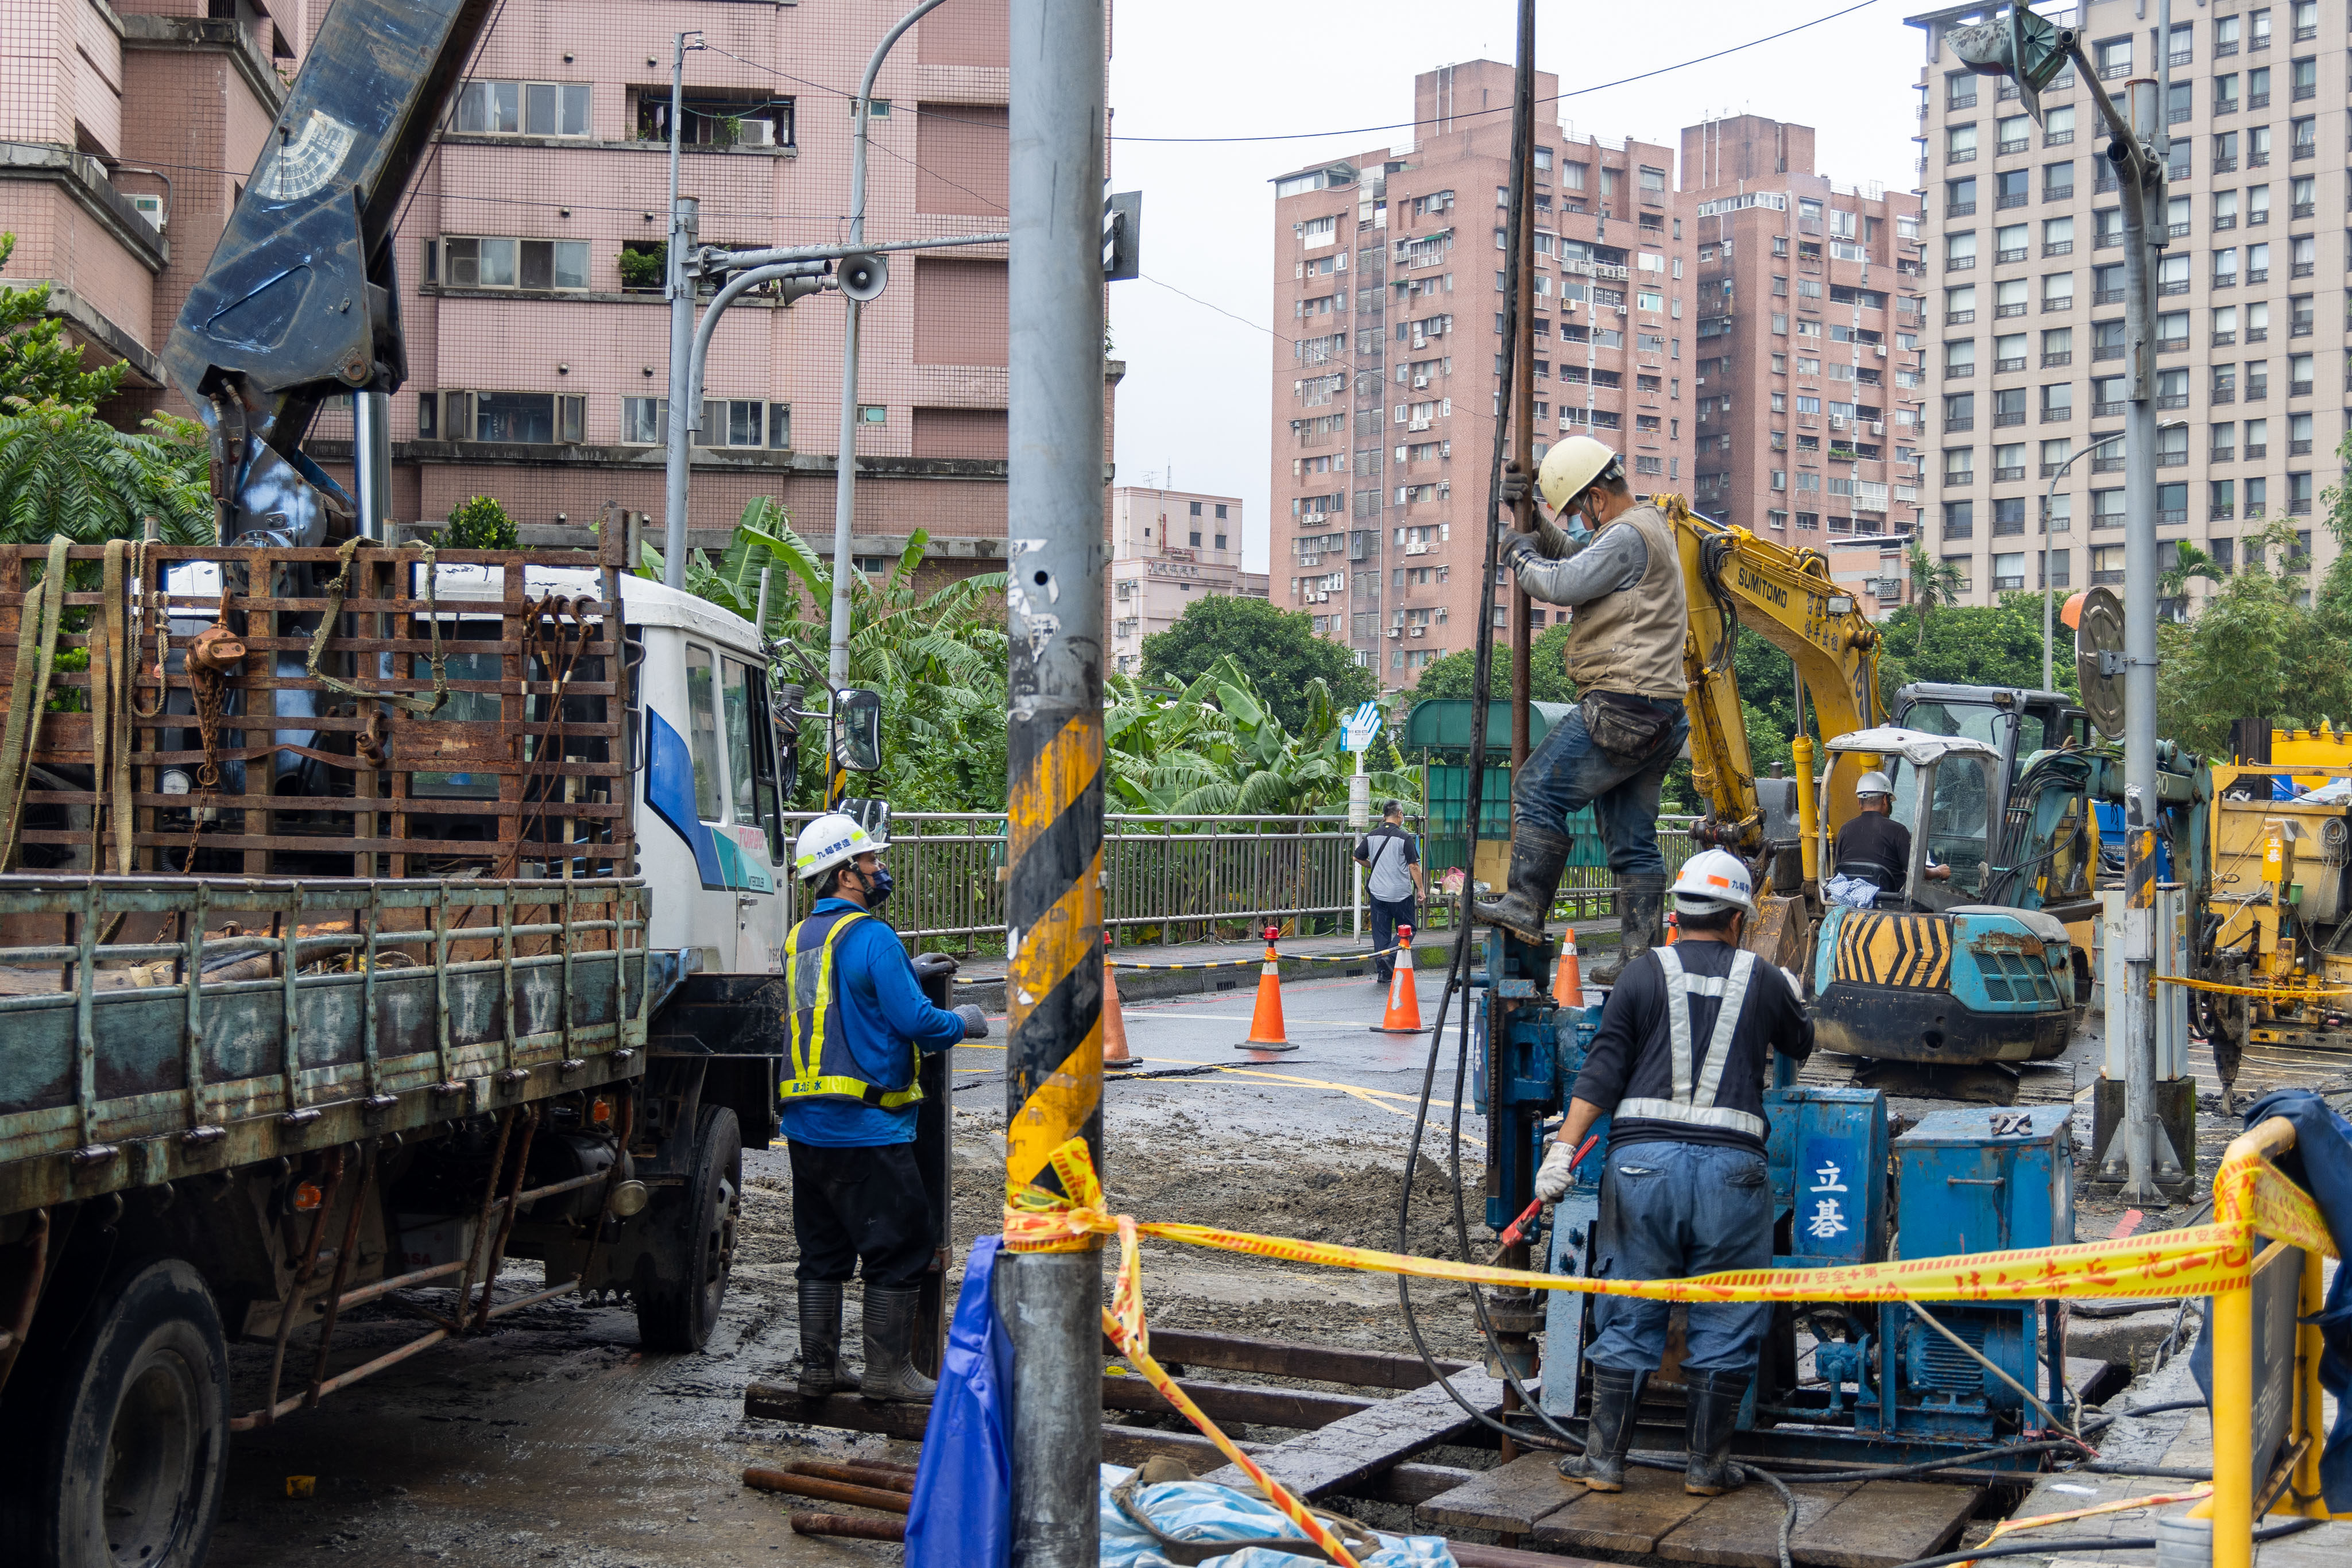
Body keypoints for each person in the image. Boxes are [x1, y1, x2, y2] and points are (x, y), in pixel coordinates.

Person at [1531, 849, 1813, 1496]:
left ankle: (1604, 1461)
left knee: (1632, 1305)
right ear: (1739, 918)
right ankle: (1707, 1468)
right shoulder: (1764, 979)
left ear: (1676, 913)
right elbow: (1803, 1043)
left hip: (1640, 1171)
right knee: (1726, 1312)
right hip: (1732, 1177)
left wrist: (1560, 1152)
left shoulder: (1639, 975)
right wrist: (1792, 997)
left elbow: (1599, 1070)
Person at [783, 811, 991, 1404]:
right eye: (869, 861)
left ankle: (819, 1370)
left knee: (822, 1250)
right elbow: (916, 1022)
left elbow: (839, 1005)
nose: (879, 870)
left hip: (806, 1127)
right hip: (866, 1128)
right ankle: (887, 1373)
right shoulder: (873, 937)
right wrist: (966, 1021)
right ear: (846, 875)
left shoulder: (801, 938)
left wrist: (903, 972)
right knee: (900, 1242)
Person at [1477, 436, 1689, 983]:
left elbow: (1563, 581)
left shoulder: (1626, 535)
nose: (1578, 521)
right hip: (1661, 713)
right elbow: (1579, 558)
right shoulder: (1647, 529)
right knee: (1633, 840)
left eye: (1576, 510)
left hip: (1622, 704)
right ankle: (1639, 958)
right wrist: (1533, 523)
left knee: (1535, 790)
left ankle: (1525, 905)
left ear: (1598, 497)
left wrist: (1519, 552)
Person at [1825, 770, 1949, 909]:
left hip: (1852, 906)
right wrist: (1938, 872)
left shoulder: (1845, 829)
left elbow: (1841, 868)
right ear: (1885, 800)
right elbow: (1916, 873)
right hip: (1890, 904)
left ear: (1860, 803)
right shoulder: (1898, 831)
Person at [1353, 799, 1425, 984]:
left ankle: (1383, 973)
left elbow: (1357, 856)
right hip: (1400, 894)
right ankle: (1390, 958)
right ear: (1400, 815)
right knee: (1408, 929)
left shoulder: (1372, 835)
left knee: (1381, 933)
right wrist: (1421, 890)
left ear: (1384, 815)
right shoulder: (1404, 837)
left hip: (1378, 893)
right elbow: (1414, 866)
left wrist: (1374, 866)